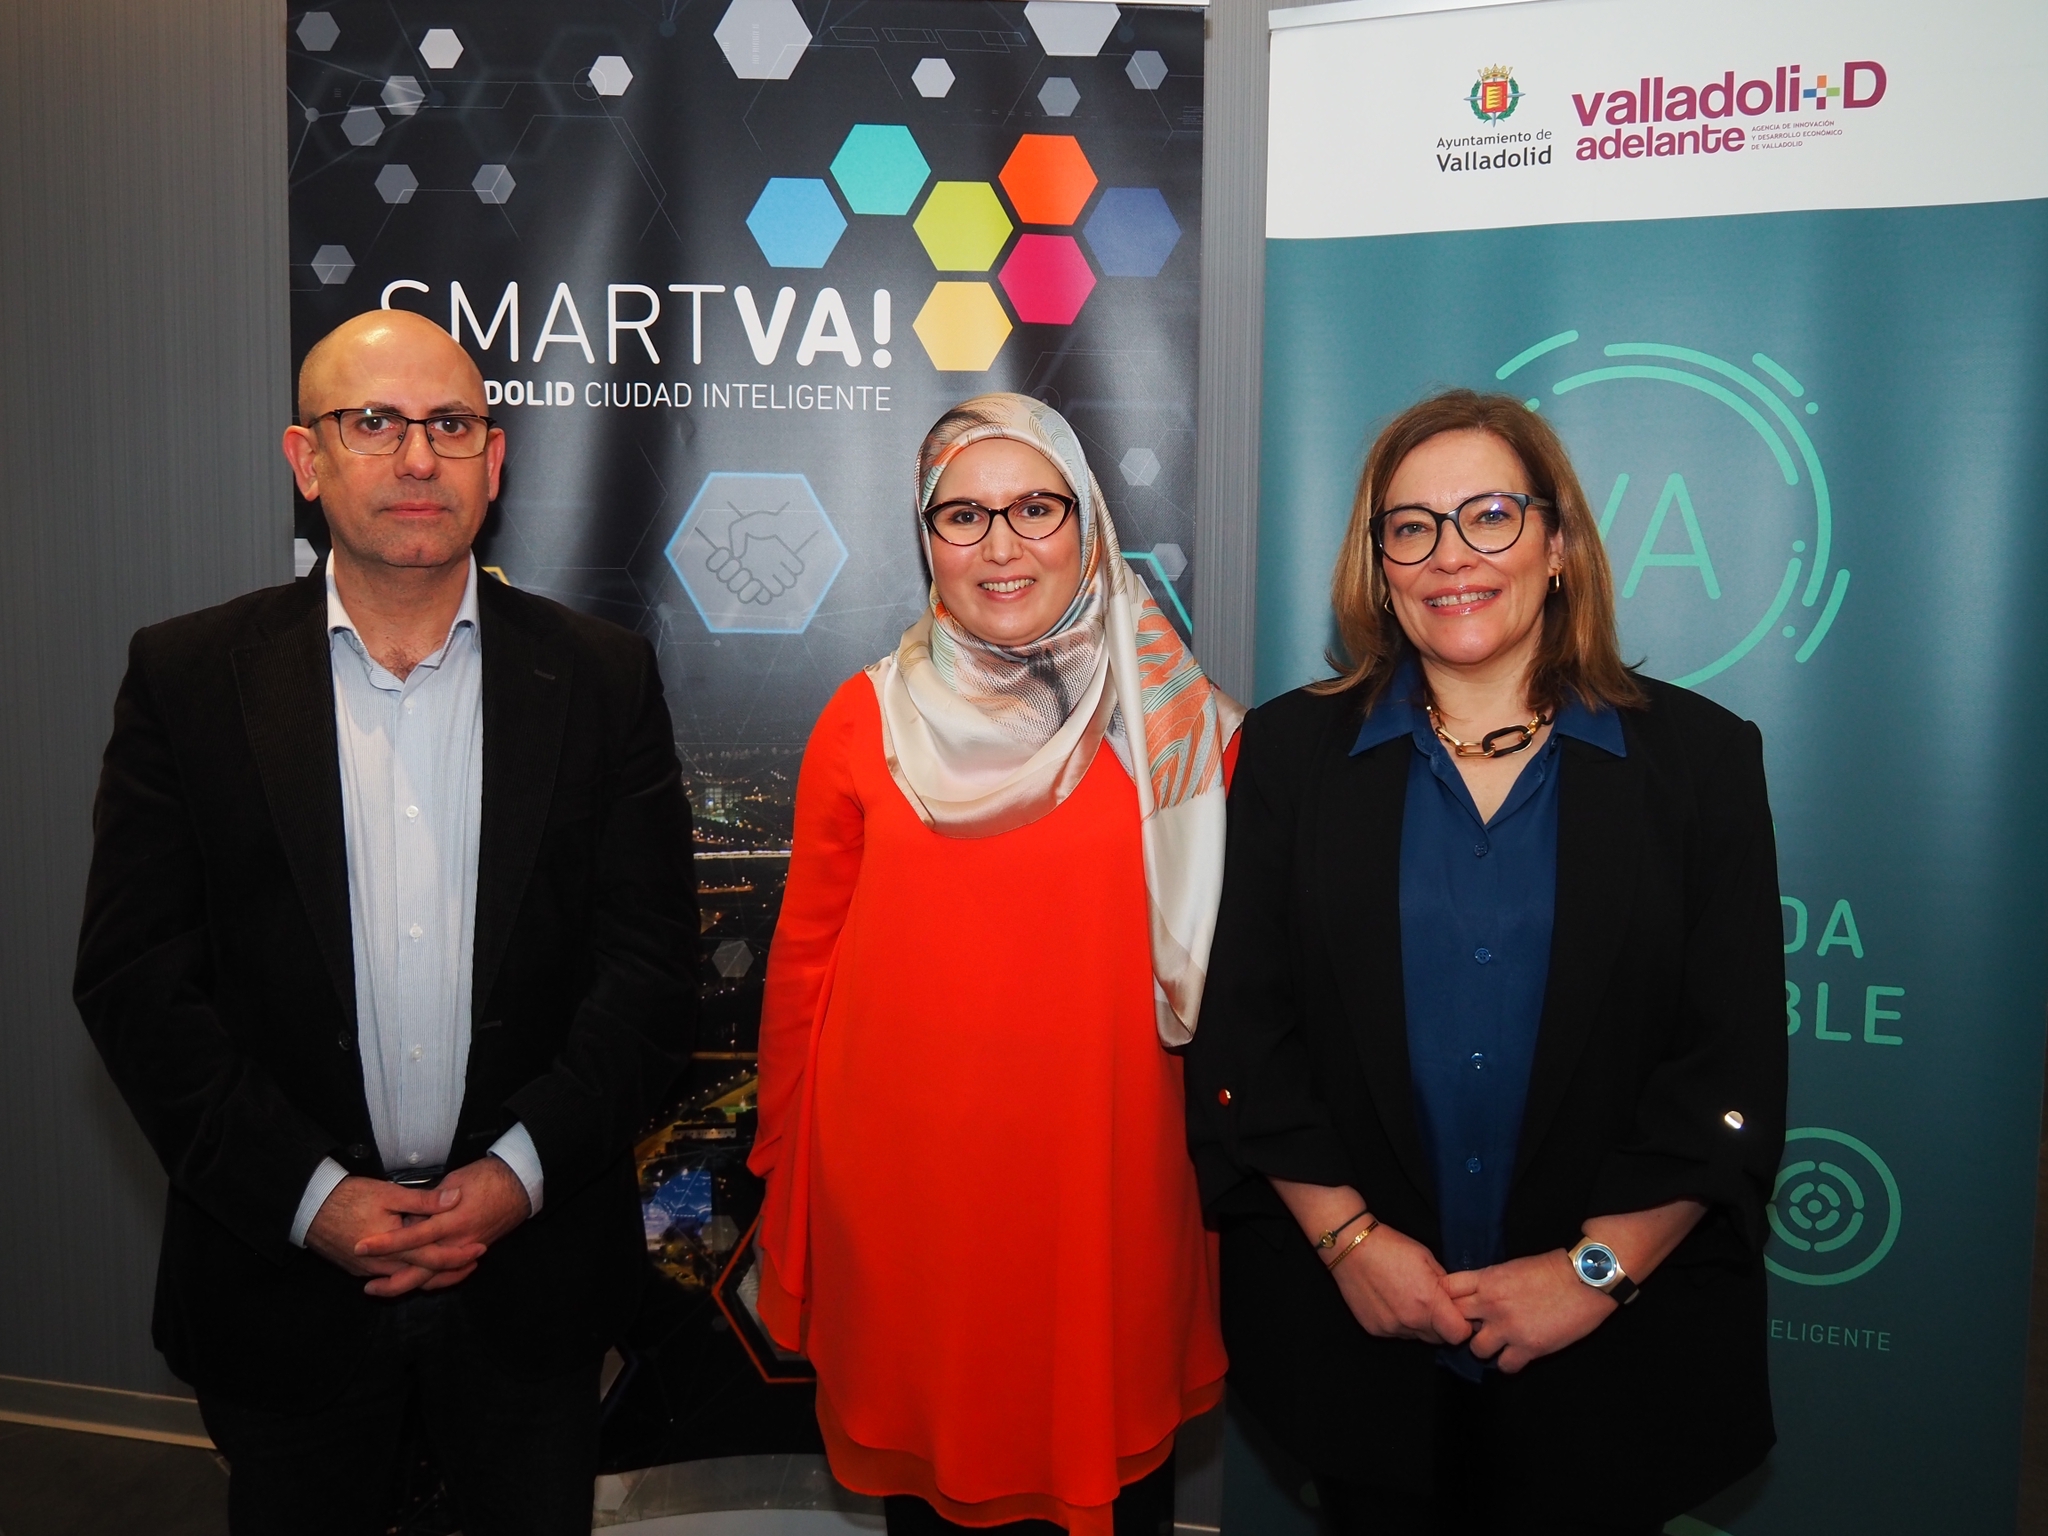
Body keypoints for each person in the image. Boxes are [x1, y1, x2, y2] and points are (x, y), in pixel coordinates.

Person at [73, 309, 699, 1535]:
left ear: (493, 459)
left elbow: (650, 974)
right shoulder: (187, 679)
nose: (418, 457)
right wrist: (313, 1197)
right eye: (373, 423)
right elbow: (136, 984)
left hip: (531, 1281)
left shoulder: (601, 676)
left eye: (450, 424)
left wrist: (515, 1178)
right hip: (280, 1282)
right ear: (306, 460)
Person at [1185, 390, 1786, 1533]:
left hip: (1608, 1357)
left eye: (1489, 516)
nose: (1449, 556)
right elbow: (1246, 1041)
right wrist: (1348, 1242)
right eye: (1410, 527)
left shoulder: (1698, 762)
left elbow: (1728, 1066)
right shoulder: (1291, 753)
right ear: (1379, 567)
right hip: (1360, 1346)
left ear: (1556, 545)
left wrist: (1594, 1272)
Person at [749, 393, 1239, 1536]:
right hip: (910, 1206)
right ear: (926, 538)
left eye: (1034, 508)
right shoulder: (863, 718)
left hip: (1108, 1190)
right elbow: (804, 965)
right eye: (962, 515)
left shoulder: (1181, 729)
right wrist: (785, 1172)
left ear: (1088, 521)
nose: (1001, 544)